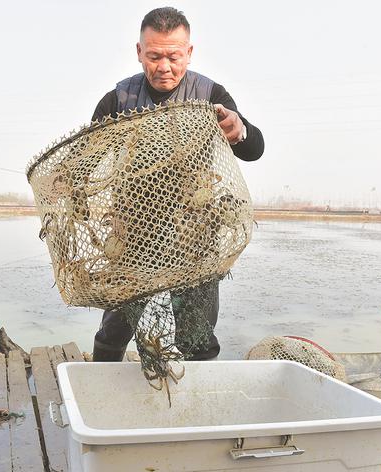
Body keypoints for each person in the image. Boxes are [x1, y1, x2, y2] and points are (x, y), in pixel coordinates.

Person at [91, 7, 264, 362]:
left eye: (173, 56)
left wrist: (239, 129)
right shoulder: (118, 100)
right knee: (115, 327)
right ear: (139, 52)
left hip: (194, 234)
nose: (164, 66)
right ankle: (99, 384)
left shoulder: (210, 95)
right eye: (154, 56)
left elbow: (255, 149)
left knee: (196, 333)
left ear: (189, 52)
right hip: (133, 235)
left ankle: (199, 392)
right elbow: (86, 160)